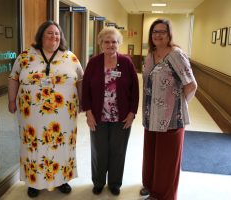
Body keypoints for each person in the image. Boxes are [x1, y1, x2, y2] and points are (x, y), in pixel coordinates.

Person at [8, 20, 83, 198]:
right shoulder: (25, 56)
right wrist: (12, 100)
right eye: (49, 33)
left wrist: (83, 102)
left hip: (64, 114)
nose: (54, 36)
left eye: (57, 34)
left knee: (62, 145)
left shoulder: (70, 57)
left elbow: (80, 79)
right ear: (41, 36)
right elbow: (13, 77)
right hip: (31, 114)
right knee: (34, 144)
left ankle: (62, 179)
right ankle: (34, 182)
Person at [140, 18, 197, 200]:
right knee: (152, 155)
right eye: (154, 31)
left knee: (166, 160)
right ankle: (150, 185)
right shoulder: (150, 55)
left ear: (169, 34)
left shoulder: (176, 54)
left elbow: (191, 85)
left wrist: (178, 105)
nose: (158, 35)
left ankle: (162, 195)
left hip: (171, 118)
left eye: (162, 31)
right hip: (150, 116)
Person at [82, 27, 139, 196]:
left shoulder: (126, 62)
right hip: (98, 116)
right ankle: (98, 182)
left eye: (114, 41)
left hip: (121, 116)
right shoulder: (93, 63)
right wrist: (89, 113)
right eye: (106, 41)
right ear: (100, 44)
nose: (110, 45)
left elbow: (135, 90)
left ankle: (115, 183)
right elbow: (85, 90)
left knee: (118, 150)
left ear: (119, 43)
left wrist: (132, 113)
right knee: (99, 150)